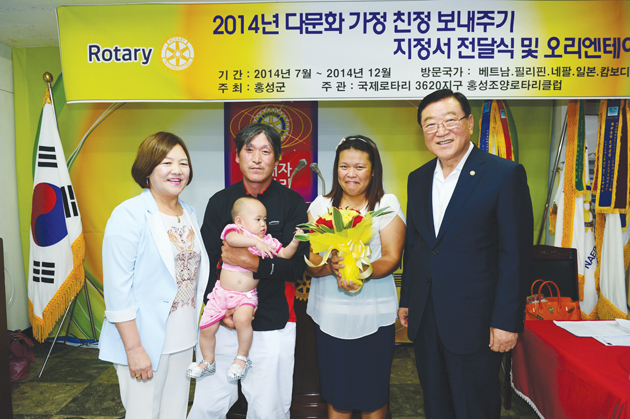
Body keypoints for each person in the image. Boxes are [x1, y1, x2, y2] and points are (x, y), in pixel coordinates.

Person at [398, 89, 533, 419]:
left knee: (475, 408)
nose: (440, 131)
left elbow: (515, 256)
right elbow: (416, 246)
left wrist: (506, 321)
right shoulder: (418, 179)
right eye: (430, 124)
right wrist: (408, 300)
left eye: (449, 120)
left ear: (469, 123)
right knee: (436, 405)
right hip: (426, 318)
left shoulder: (504, 175)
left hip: (477, 324)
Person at [188, 123, 309, 419]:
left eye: (265, 151)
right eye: (249, 150)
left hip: (274, 321)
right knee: (208, 405)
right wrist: (222, 311)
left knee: (269, 409)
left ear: (277, 158)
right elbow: (206, 263)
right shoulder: (220, 202)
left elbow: (295, 267)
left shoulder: (292, 203)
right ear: (237, 157)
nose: (256, 158)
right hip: (223, 321)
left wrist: (253, 263)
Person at [99, 132, 210, 419]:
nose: (177, 170)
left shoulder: (190, 213)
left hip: (184, 339)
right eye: (166, 162)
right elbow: (117, 290)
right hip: (145, 342)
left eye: (183, 163)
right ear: (147, 169)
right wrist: (134, 348)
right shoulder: (129, 214)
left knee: (175, 413)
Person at [305, 135, 406, 419]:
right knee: (337, 394)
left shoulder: (386, 204)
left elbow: (391, 257)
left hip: (373, 314)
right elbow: (312, 263)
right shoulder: (320, 207)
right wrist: (331, 266)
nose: (351, 174)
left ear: (373, 171)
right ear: (336, 169)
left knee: (373, 394)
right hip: (330, 314)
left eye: (360, 167)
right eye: (344, 166)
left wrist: (363, 270)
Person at [187, 197, 302, 380]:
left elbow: (284, 254)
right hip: (220, 294)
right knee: (206, 327)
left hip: (245, 296)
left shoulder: (267, 240)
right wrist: (255, 243)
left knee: (243, 320)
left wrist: (295, 241)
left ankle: (241, 358)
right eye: (258, 219)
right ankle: (207, 361)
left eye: (265, 219)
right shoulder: (235, 231)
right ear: (240, 221)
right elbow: (231, 239)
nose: (263, 224)